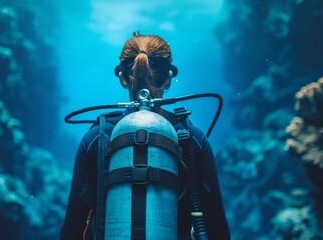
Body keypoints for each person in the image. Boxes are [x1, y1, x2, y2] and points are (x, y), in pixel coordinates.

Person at [60, 32, 230, 240]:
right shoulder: (192, 138)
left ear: (122, 78)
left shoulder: (97, 138)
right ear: (169, 78)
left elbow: (72, 229)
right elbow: (218, 229)